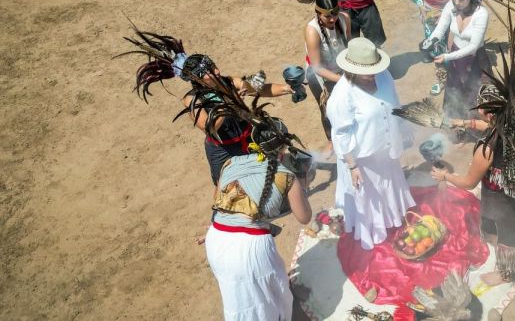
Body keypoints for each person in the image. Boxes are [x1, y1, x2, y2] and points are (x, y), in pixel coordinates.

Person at [429, 0, 515, 286]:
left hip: (501, 193)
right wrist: (462, 123)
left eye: (480, 110)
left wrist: (445, 177)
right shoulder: (511, 121)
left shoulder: (486, 148)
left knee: (506, 234)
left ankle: (509, 271)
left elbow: (469, 180)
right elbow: (485, 124)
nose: (478, 113)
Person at [120, 27, 294, 186]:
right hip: (224, 150)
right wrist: (229, 102)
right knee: (225, 189)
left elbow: (260, 88)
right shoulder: (192, 100)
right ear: (196, 79)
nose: (217, 71)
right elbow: (209, 127)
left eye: (214, 66)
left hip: (250, 138)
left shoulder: (229, 81)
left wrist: (286, 88)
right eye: (209, 71)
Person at [205, 109, 312, 321]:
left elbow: (219, 201)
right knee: (271, 304)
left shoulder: (230, 163)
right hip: (251, 250)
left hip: (216, 238)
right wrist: (303, 186)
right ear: (283, 147)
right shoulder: (287, 175)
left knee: (240, 303)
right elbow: (304, 217)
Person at [327, 37, 414, 250]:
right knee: (369, 196)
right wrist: (352, 165)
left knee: (389, 186)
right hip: (362, 159)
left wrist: (402, 128)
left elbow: (394, 103)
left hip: (385, 151)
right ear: (353, 69)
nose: (374, 73)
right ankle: (374, 230)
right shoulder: (342, 95)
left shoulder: (384, 76)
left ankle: (392, 218)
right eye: (369, 70)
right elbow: (341, 133)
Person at [296, 0, 354, 156]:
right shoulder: (312, 31)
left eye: (335, 13)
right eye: (327, 16)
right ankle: (331, 140)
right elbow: (318, 67)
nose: (332, 19)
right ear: (318, 13)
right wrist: (343, 81)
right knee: (327, 108)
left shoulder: (344, 18)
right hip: (318, 74)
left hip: (340, 68)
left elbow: (349, 47)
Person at [425, 0, 489, 119]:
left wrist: (447, 57)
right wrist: (429, 41)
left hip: (475, 60)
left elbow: (473, 47)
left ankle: (474, 130)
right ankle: (456, 128)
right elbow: (440, 29)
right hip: (456, 57)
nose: (457, 2)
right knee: (454, 91)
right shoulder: (451, 5)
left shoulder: (481, 14)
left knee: (474, 95)